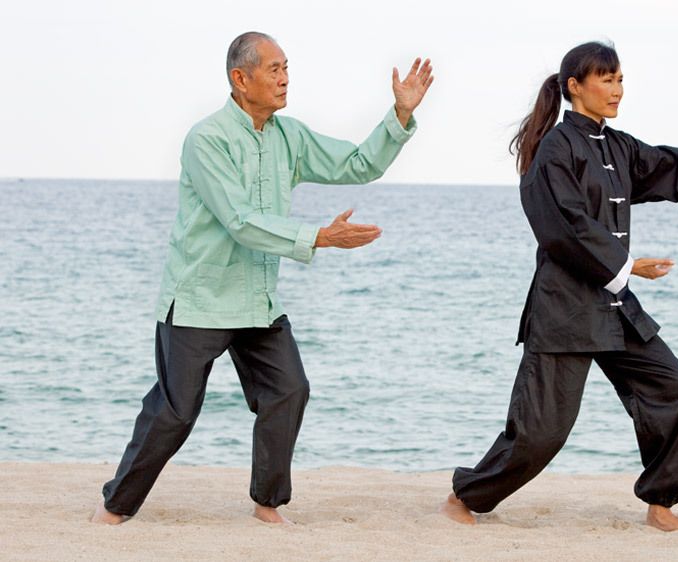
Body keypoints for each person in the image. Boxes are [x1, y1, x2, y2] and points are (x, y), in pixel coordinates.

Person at [91, 31, 434, 525]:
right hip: (200, 299)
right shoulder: (206, 139)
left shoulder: (289, 136)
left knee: (288, 391)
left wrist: (399, 115)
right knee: (174, 412)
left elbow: (358, 163)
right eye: (274, 69)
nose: (284, 78)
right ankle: (116, 505)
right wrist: (317, 237)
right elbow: (239, 220)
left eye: (286, 68)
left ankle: (266, 504)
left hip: (258, 301)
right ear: (240, 77)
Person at [441, 41, 678, 531]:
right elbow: (563, 226)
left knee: (674, 389)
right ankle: (465, 496)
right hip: (565, 308)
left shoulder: (619, 146)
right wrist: (628, 265)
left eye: (620, 79)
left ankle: (661, 503)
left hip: (614, 305)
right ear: (574, 86)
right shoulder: (553, 150)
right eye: (606, 79)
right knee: (541, 434)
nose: (617, 90)